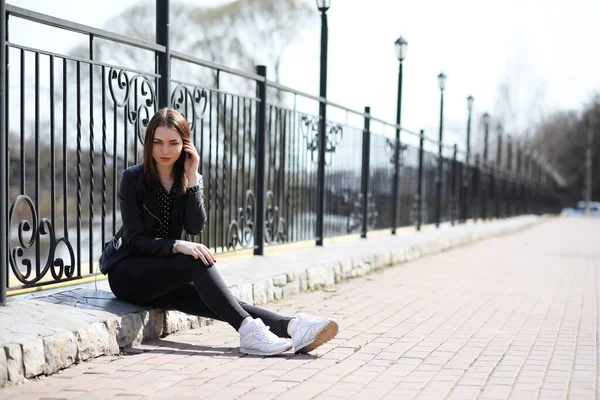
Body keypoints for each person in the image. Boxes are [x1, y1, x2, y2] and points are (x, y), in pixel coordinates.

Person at [99, 107, 338, 356]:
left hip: (162, 275)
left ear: (185, 145)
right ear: (149, 144)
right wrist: (177, 246)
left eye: (173, 143)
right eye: (158, 142)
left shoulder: (187, 178)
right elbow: (136, 240)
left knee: (226, 303)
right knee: (196, 261)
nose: (165, 150)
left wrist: (192, 179)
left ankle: (292, 327)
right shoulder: (133, 178)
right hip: (128, 273)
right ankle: (250, 334)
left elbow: (194, 226)